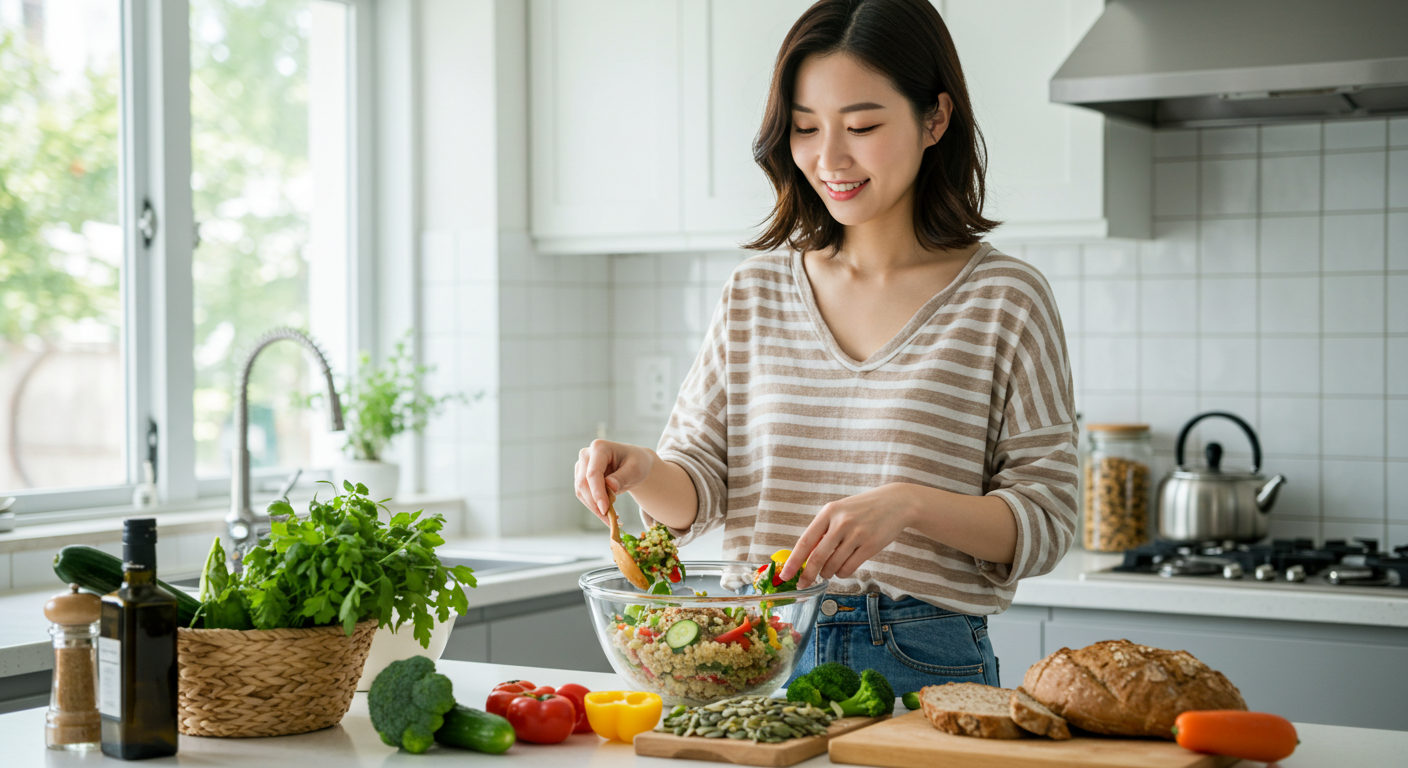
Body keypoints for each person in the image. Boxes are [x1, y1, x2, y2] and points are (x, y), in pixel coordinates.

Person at [573, 0, 1076, 695]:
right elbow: (695, 492)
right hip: (755, 651)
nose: (829, 158)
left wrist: (910, 504)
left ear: (935, 118)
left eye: (862, 126)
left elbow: (1048, 520)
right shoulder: (755, 293)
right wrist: (642, 470)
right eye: (806, 128)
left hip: (923, 658)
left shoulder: (1005, 299)